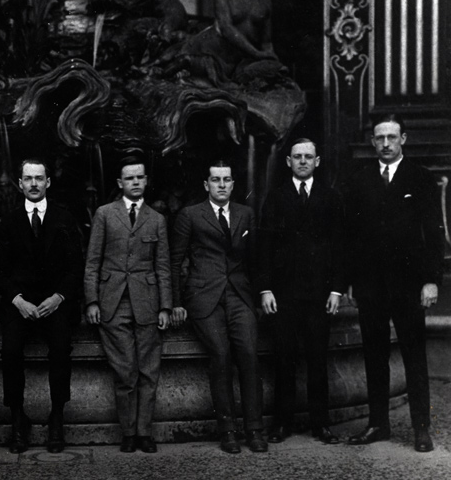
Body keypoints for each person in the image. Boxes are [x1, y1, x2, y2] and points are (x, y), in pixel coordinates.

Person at [344, 113, 444, 453]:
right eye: (379, 138)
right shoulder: (360, 180)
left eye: (391, 137)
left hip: (408, 284)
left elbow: (433, 233)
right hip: (371, 285)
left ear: (404, 139)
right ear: (372, 142)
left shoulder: (421, 179)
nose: (385, 144)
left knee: (414, 356)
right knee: (373, 356)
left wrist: (431, 281)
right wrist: (353, 282)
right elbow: (353, 238)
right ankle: (378, 424)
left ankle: (420, 428)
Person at [169, 161, 266, 454]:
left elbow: (255, 258)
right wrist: (175, 303)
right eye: (215, 180)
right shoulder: (190, 215)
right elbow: (175, 261)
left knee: (249, 354)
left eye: (226, 180)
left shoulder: (245, 213)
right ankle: (228, 431)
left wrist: (262, 292)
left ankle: (255, 429)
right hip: (204, 296)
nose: (221, 185)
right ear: (206, 185)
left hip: (239, 294)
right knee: (221, 355)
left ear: (233, 184)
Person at [257, 139, 344, 444]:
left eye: (309, 157)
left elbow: (339, 247)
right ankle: (283, 424)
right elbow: (264, 247)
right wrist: (266, 289)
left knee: (318, 360)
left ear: (317, 161)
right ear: (288, 162)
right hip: (284, 294)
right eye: (297, 157)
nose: (303, 161)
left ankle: (321, 424)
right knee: (284, 359)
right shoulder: (276, 198)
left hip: (319, 294)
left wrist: (336, 290)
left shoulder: (331, 198)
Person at [0, 158, 83, 454]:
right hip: (19, 303)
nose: (33, 184)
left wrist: (58, 298)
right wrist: (17, 300)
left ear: (48, 182)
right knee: (9, 350)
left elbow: (74, 267)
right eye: (28, 179)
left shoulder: (64, 217)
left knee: (60, 347)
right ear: (19, 184)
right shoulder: (7, 220)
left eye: (39, 178)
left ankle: (56, 416)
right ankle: (18, 418)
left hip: (53, 302)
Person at [83, 156, 172, 453]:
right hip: (113, 302)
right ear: (120, 183)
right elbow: (92, 262)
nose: (135, 182)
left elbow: (163, 266)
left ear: (146, 181)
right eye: (129, 178)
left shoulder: (157, 219)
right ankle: (128, 432)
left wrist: (165, 307)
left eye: (139, 177)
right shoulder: (105, 214)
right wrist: (92, 301)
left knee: (148, 369)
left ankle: (145, 432)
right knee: (124, 371)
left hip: (147, 302)